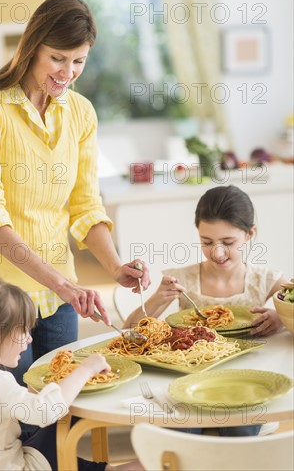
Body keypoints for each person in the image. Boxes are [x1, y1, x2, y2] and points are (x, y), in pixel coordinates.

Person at [0, 0, 150, 383]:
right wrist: (63, 284)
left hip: (60, 296)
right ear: (32, 47)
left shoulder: (81, 113)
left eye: (78, 61)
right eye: (58, 58)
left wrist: (114, 266)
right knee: (12, 418)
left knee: (63, 406)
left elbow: (85, 204)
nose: (68, 72)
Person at [123, 185, 288, 436]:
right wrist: (157, 299)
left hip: (244, 384)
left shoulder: (266, 279)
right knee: (181, 436)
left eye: (228, 242)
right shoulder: (181, 279)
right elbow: (128, 331)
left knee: (238, 435)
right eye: (207, 242)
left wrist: (282, 318)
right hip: (186, 385)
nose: (217, 252)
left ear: (250, 234)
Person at [0, 277, 143, 471]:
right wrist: (86, 368)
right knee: (65, 417)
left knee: (50, 422)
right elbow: (45, 412)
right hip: (13, 466)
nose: (29, 339)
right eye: (23, 331)